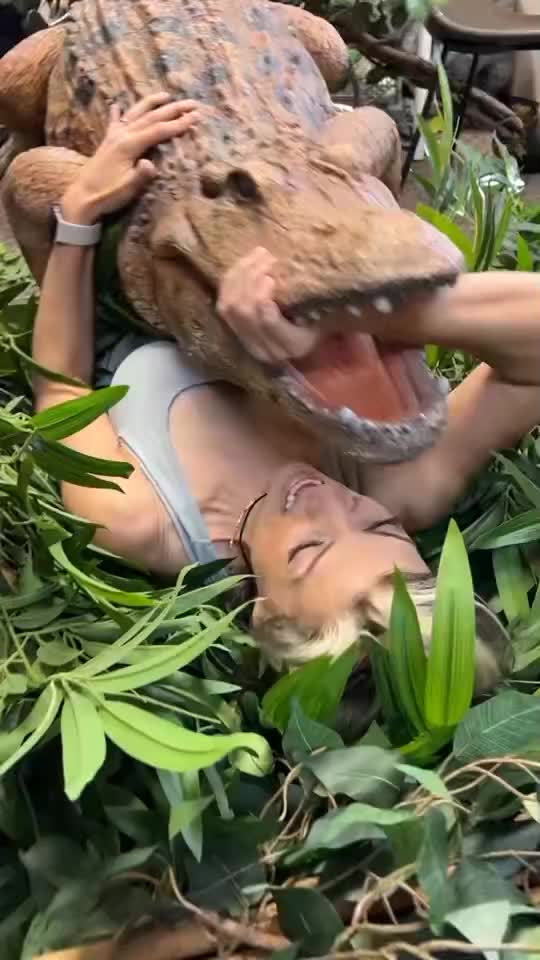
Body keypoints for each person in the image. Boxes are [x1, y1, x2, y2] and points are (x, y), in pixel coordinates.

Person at [33, 93, 540, 686]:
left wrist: (80, 213)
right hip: (261, 181)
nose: (326, 499)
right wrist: (342, 312)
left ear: (266, 615)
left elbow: (61, 389)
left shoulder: (138, 519)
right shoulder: (392, 479)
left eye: (309, 550)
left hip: (132, 254)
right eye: (377, 528)